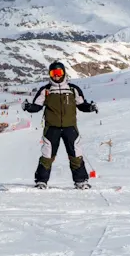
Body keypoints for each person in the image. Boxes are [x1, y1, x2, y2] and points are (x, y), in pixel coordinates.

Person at [22, 61, 98, 190]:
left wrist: (90, 107)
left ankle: (81, 181)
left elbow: (81, 105)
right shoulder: (46, 90)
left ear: (63, 73)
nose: (56, 76)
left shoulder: (73, 89)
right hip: (52, 127)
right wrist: (28, 107)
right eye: (53, 73)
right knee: (47, 155)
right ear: (50, 75)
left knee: (75, 153)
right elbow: (37, 106)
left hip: (70, 127)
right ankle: (41, 181)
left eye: (59, 73)